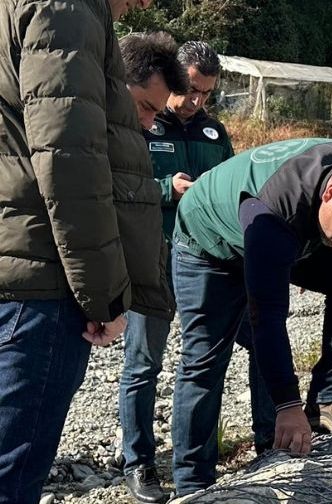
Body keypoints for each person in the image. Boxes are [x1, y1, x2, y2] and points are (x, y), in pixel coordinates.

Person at [0, 1, 172, 502]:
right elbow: (70, 160)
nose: (144, 4)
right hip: (41, 282)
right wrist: (104, 297)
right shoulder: (66, 9)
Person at [169, 138, 332, 497]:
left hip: (281, 234)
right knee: (205, 361)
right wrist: (288, 403)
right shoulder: (273, 215)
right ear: (331, 192)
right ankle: (193, 483)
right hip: (208, 245)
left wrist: (314, 248)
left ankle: (327, 400)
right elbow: (268, 319)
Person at [119, 38, 232, 504]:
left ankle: (198, 460)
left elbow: (232, 182)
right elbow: (117, 181)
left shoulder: (214, 134)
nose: (194, 101)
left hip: (204, 263)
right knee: (143, 363)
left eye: (205, 93)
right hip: (152, 258)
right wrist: (169, 187)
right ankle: (138, 461)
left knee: (202, 360)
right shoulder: (139, 122)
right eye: (188, 89)